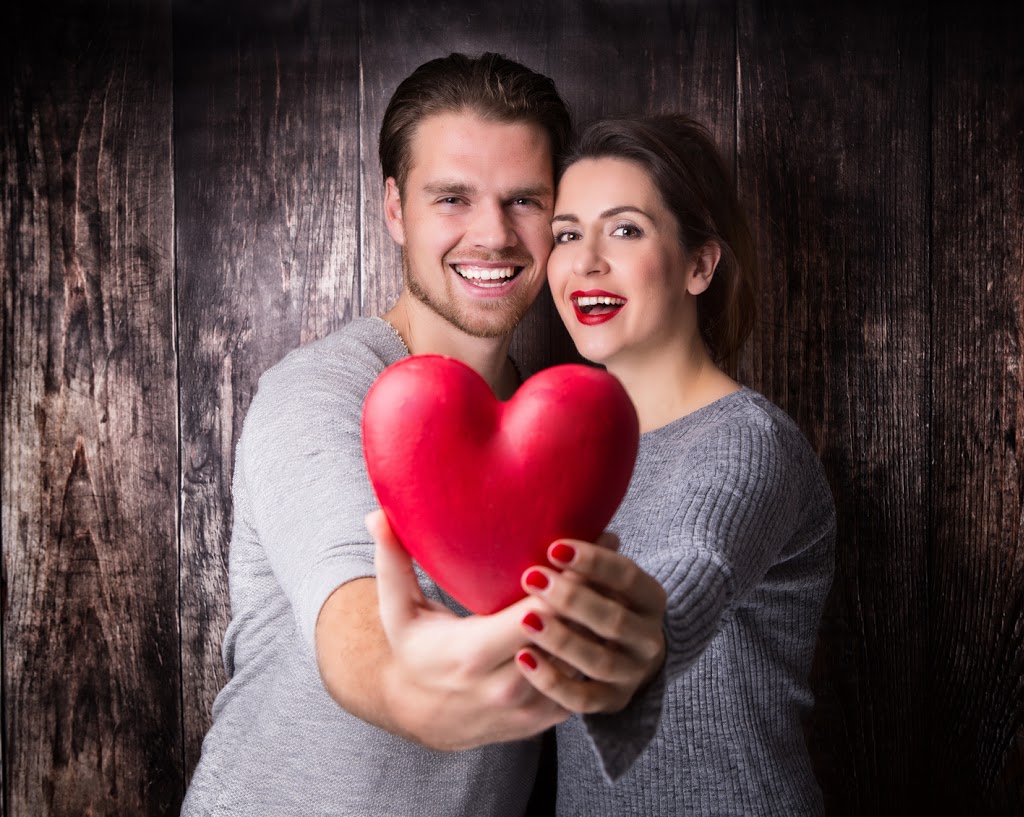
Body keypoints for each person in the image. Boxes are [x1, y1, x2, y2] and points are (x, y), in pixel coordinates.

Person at [182, 53, 668, 816]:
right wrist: (415, 684)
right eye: (451, 198)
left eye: (524, 200)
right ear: (395, 209)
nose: (494, 235)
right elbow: (357, 632)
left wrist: (630, 664)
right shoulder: (314, 394)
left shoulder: (577, 437)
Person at [515, 115, 837, 815]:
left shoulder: (752, 442)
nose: (586, 260)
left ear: (700, 264)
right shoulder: (562, 460)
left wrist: (648, 635)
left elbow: (701, 564)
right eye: (567, 233)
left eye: (625, 229)